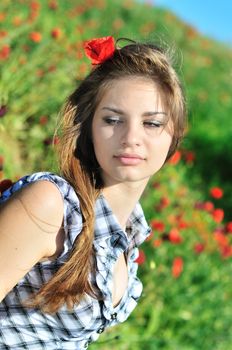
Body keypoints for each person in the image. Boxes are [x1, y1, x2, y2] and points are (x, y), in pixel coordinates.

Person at [0, 36, 186, 349]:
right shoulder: (52, 205)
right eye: (113, 120)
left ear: (174, 135)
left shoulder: (128, 238)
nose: (131, 138)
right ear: (89, 127)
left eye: (152, 124)